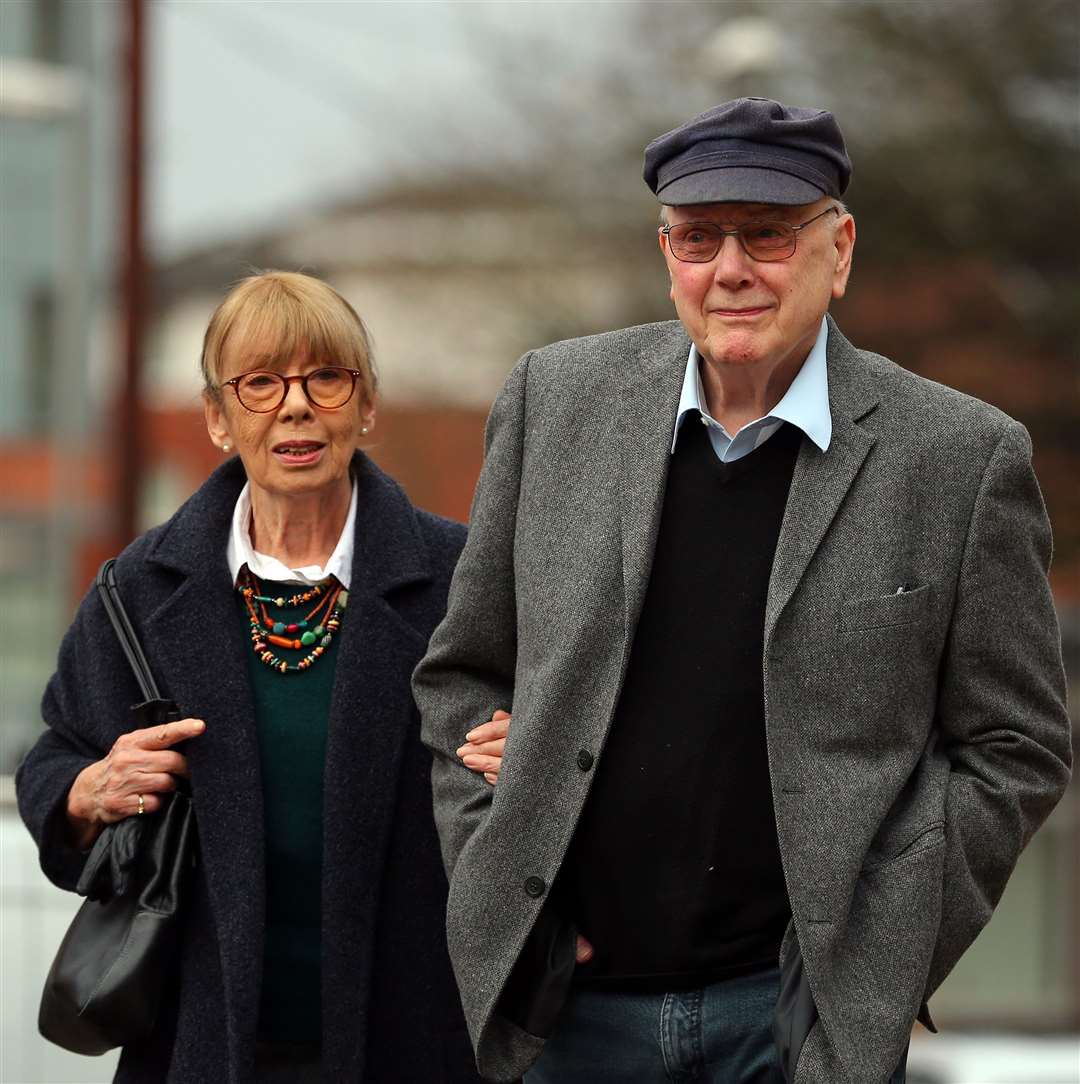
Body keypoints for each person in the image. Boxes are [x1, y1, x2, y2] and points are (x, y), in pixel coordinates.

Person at [414, 98, 1072, 1084]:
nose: (730, 269)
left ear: (838, 249)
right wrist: (503, 883)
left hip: (793, 1032)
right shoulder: (553, 404)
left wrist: (877, 956)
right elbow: (461, 677)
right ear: (666, 252)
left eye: (767, 234)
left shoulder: (960, 459)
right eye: (697, 237)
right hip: (566, 1023)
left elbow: (1014, 747)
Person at [17, 271, 499, 1083]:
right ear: (216, 417)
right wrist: (87, 792)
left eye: (326, 378)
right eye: (260, 384)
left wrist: (531, 753)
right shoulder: (139, 590)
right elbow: (55, 758)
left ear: (366, 405)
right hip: (199, 1038)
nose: (296, 406)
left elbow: (561, 747)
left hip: (421, 1035)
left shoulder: (465, 578)